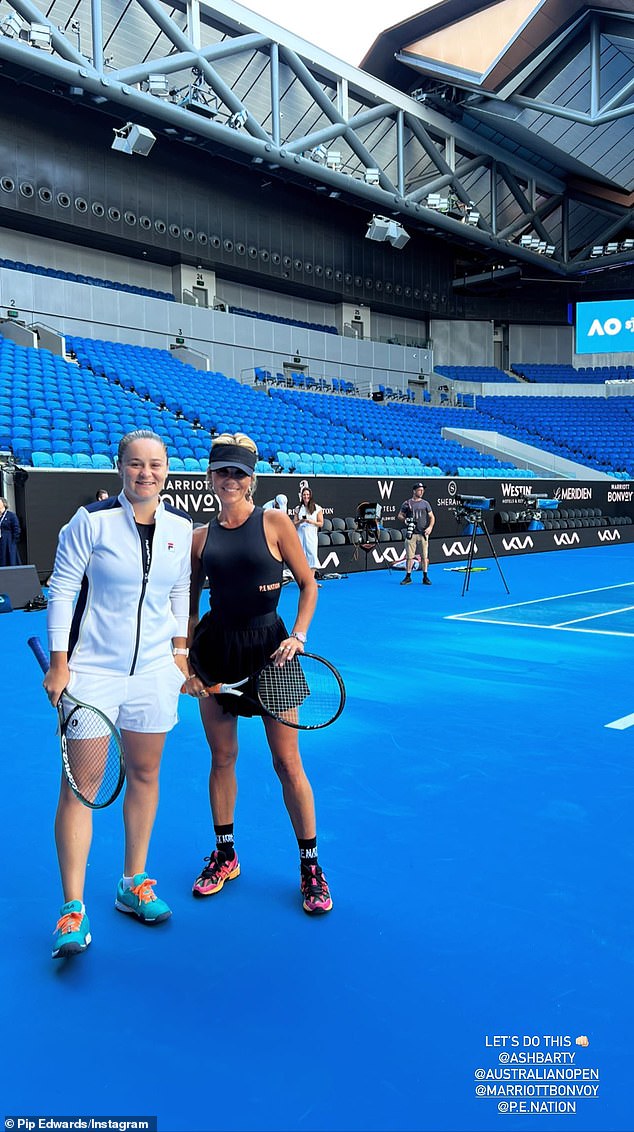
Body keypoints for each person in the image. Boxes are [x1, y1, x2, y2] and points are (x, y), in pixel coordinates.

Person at [43, 429, 193, 958]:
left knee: (146, 774)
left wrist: (180, 653)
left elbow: (179, 591)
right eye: (135, 464)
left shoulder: (179, 528)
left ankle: (133, 883)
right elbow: (61, 588)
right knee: (81, 787)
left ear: (167, 471)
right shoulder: (90, 522)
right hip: (94, 673)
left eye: (155, 465)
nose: (145, 473)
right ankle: (72, 908)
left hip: (154, 673)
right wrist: (60, 665)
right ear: (120, 469)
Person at [184, 432, 332, 915]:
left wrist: (300, 637)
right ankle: (225, 855)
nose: (229, 479)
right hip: (216, 649)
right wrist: (186, 662)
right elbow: (186, 606)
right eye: (222, 471)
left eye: (238, 472)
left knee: (287, 763)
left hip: (274, 651)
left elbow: (309, 586)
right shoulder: (199, 540)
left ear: (252, 479)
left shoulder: (275, 521)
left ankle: (311, 866)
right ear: (210, 477)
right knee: (222, 757)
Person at [397, 482, 435, 585]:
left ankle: (425, 577)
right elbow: (400, 515)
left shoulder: (426, 503)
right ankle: (408, 576)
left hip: (423, 533)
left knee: (424, 556)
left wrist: (430, 527)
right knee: (409, 557)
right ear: (414, 491)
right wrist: (405, 520)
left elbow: (432, 517)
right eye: (419, 490)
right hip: (411, 533)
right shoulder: (407, 503)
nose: (421, 491)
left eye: (422, 490)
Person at [293, 486, 323, 580]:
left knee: (312, 555)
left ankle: (311, 580)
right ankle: (304, 580)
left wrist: (311, 522)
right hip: (301, 535)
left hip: (311, 536)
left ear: (310, 496)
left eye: (307, 494)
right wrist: (301, 521)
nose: (306, 496)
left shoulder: (317, 508)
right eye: (304, 495)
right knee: (302, 556)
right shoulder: (298, 509)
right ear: (301, 496)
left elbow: (321, 523)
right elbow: (294, 524)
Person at [0, 497, 22, 566]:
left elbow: (17, 529)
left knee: (9, 560)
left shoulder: (11, 515)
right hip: (1, 542)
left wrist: (13, 541)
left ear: (4, 504)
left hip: (8, 542)